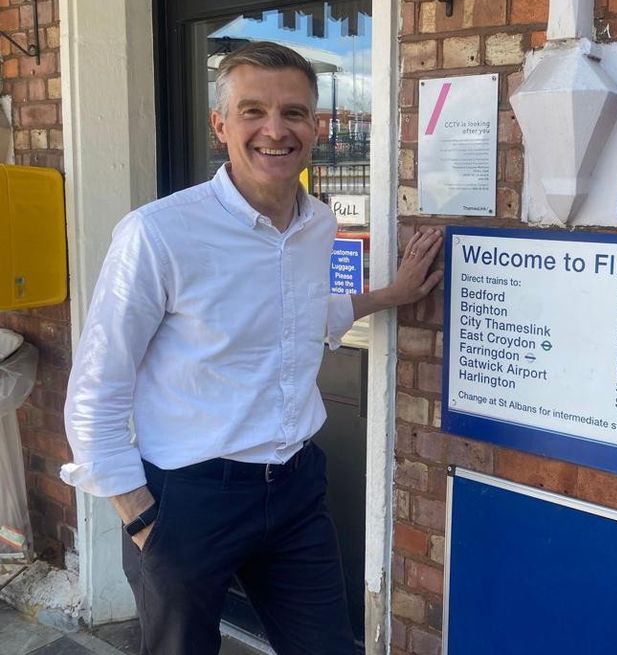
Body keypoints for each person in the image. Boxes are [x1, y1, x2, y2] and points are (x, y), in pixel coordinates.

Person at [60, 42, 442, 654]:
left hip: (295, 490)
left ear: (316, 126)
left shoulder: (317, 223)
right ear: (220, 125)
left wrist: (389, 295)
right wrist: (139, 514)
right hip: (188, 498)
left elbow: (298, 317)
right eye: (253, 111)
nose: (275, 130)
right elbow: (96, 387)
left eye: (293, 112)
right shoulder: (158, 233)